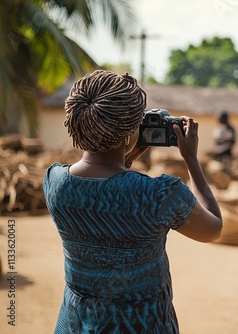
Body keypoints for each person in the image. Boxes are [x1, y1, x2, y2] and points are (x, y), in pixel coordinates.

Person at [43, 70, 223, 333]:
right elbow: (213, 229)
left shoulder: (54, 181)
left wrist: (125, 157)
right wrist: (191, 160)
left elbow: (104, 190)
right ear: (130, 131)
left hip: (75, 323)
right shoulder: (159, 195)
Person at [212, 110, 236, 177]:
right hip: (217, 156)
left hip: (226, 156)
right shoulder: (218, 128)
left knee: (226, 174)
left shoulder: (229, 129)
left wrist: (219, 151)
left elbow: (230, 143)